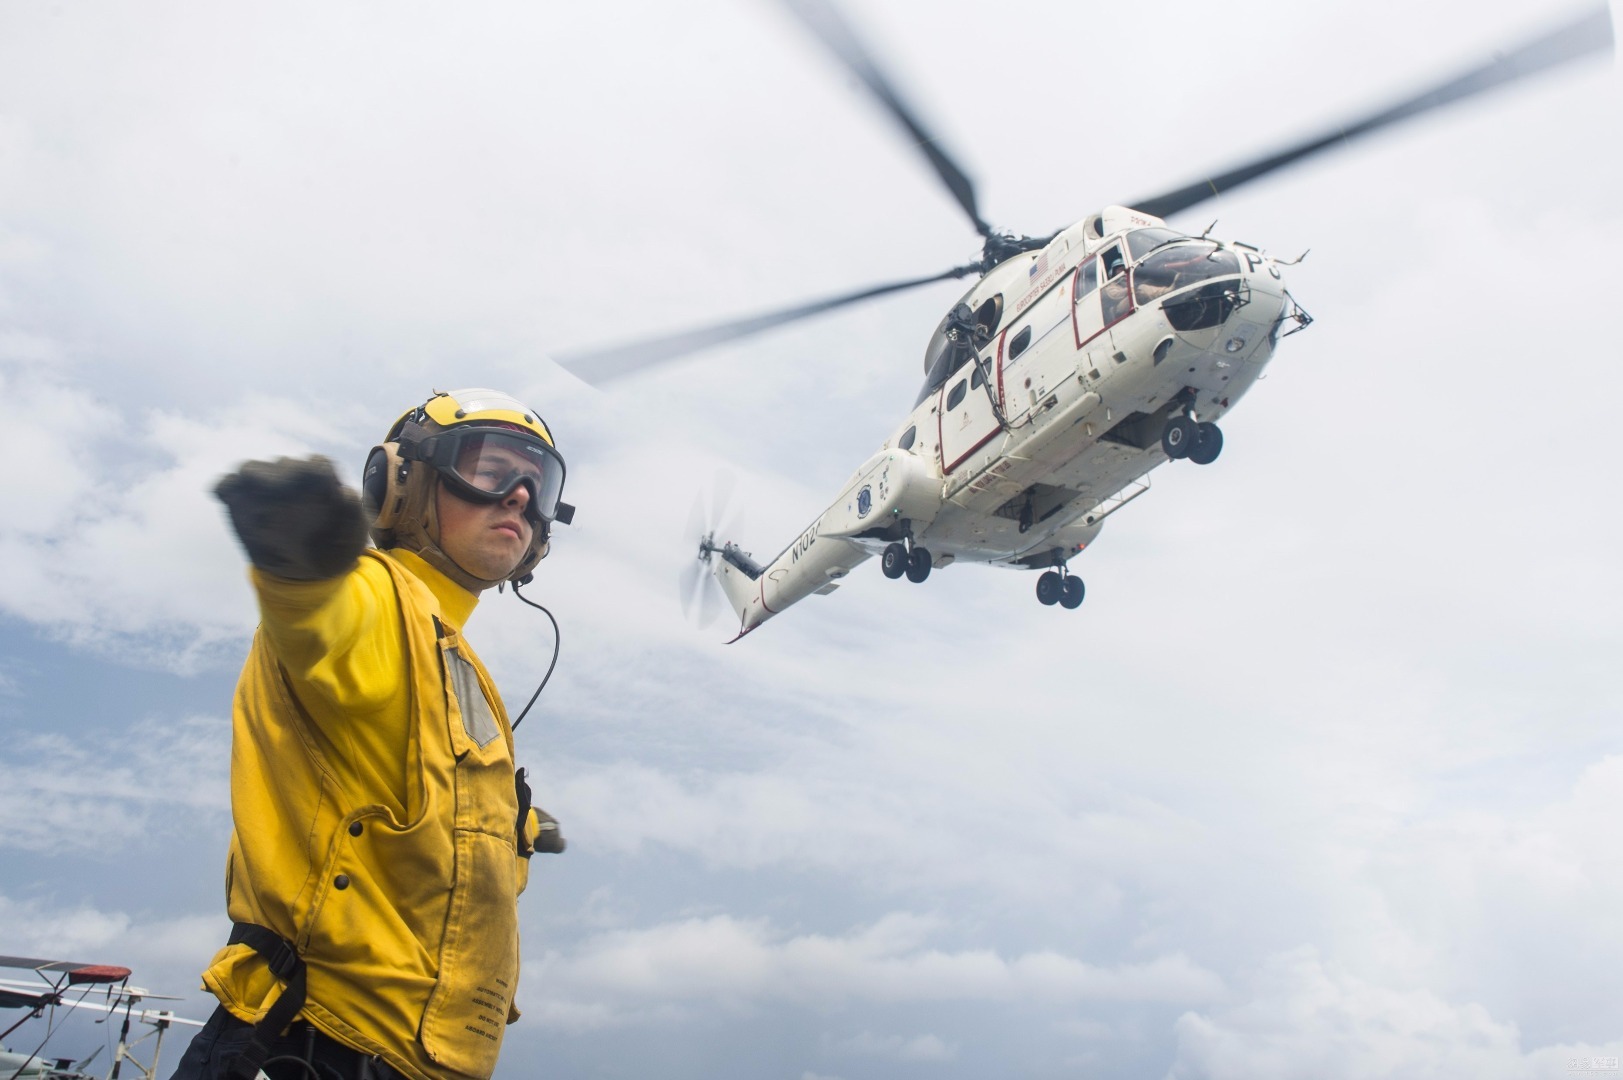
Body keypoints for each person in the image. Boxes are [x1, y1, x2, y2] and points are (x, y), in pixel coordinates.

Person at [171, 388, 574, 1080]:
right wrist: (304, 560)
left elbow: (420, 803)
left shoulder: (452, 658)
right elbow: (322, 620)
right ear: (399, 486)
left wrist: (519, 829)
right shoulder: (376, 595)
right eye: (490, 470)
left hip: (421, 1059)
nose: (517, 497)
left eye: (538, 484)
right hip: (314, 1039)